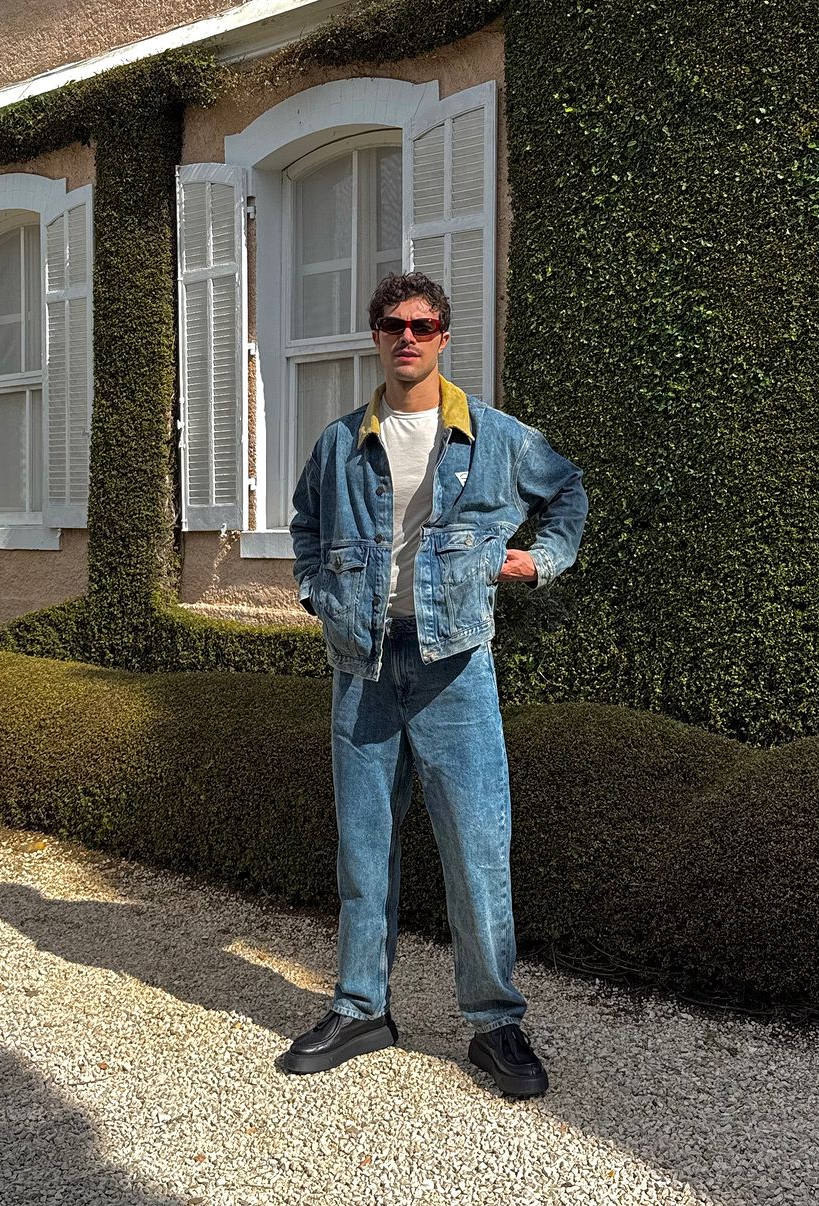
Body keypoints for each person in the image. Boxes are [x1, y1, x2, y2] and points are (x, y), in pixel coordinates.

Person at [283, 271, 588, 1098]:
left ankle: (494, 1024)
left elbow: (567, 491)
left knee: (477, 847)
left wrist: (540, 561)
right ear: (376, 337)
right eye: (393, 325)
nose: (407, 337)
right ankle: (360, 1008)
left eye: (422, 325)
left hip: (455, 665)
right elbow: (306, 524)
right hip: (363, 665)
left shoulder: (494, 437)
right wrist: (315, 590)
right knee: (364, 847)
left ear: (444, 337)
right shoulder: (340, 443)